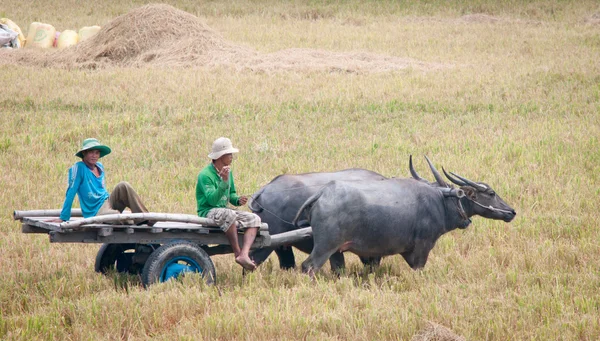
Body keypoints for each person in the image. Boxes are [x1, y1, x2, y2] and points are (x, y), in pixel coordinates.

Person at [53, 138, 154, 225]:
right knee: (117, 217)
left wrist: (109, 205)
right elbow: (70, 192)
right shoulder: (78, 168)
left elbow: (102, 191)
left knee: (124, 185)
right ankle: (126, 219)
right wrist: (63, 217)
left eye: (97, 152)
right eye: (91, 152)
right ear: (84, 153)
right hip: (95, 211)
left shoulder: (100, 166)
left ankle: (143, 217)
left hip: (107, 202)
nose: (94, 155)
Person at [196, 137, 260, 270]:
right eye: (229, 154)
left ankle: (244, 254)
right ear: (221, 156)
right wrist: (224, 182)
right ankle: (237, 252)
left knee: (254, 219)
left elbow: (231, 194)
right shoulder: (205, 175)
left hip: (224, 211)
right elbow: (212, 201)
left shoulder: (227, 171)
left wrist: (237, 200)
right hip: (208, 211)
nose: (232, 157)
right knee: (229, 214)